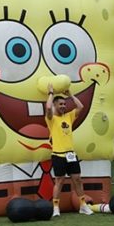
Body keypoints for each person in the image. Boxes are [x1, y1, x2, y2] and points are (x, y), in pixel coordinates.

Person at [45, 83, 93, 217]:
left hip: (71, 154)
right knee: (59, 181)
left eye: (64, 104)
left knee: (77, 179)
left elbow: (81, 107)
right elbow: (48, 107)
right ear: (55, 105)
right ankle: (55, 208)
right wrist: (51, 93)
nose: (63, 106)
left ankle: (83, 205)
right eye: (60, 104)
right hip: (58, 155)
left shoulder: (69, 116)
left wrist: (70, 95)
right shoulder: (51, 119)